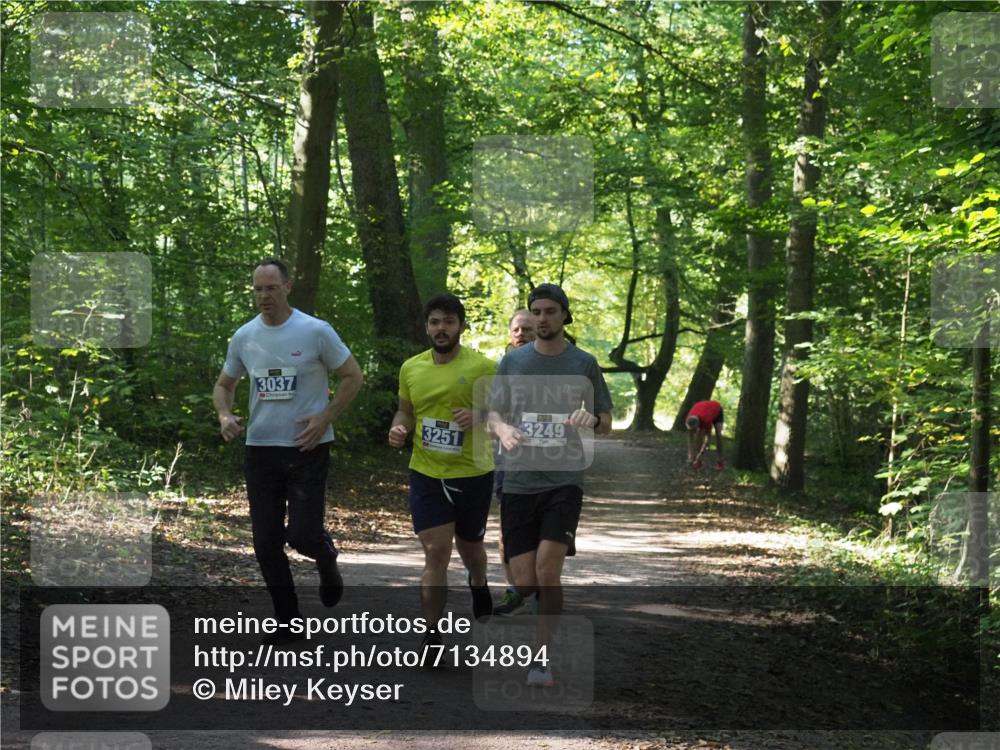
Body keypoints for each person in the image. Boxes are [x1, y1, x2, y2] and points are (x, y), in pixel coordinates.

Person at [213, 259, 363, 644]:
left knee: (302, 535)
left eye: (271, 288)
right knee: (265, 542)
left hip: (307, 447)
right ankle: (288, 619)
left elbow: (353, 376)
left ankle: (325, 556)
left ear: (287, 287)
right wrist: (224, 414)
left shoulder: (315, 331)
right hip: (261, 449)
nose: (264, 296)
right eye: (258, 289)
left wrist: (325, 416)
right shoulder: (244, 336)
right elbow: (224, 385)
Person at [488, 283, 613, 687]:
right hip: (520, 480)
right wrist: (503, 429)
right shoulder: (513, 362)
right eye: (536, 312)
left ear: (564, 316)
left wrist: (590, 420)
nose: (542, 319)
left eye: (550, 312)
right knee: (525, 581)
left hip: (564, 480)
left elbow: (606, 421)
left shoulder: (584, 363)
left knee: (548, 570)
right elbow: (492, 413)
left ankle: (540, 660)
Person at [387, 293, 497, 652]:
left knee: (471, 549)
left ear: (462, 327)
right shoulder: (411, 368)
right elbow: (405, 411)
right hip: (427, 471)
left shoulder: (484, 367)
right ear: (426, 327)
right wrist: (398, 428)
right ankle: (432, 634)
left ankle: (478, 581)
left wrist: (480, 417)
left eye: (449, 322)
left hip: (472, 472)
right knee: (436, 551)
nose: (441, 328)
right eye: (435, 322)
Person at [494, 309, 536, 616]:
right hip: (507, 461)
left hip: (549, 463)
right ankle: (514, 589)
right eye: (516, 330)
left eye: (527, 329)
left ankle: (536, 583)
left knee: (539, 527)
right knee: (507, 528)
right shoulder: (502, 367)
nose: (521, 334)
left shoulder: (554, 367)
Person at [685, 399, 725, 470]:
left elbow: (707, 439)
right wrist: (691, 456)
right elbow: (690, 438)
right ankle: (695, 459)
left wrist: (700, 455)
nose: (693, 431)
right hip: (703, 408)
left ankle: (720, 461)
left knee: (718, 435)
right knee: (698, 436)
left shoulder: (706, 420)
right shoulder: (689, 419)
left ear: (698, 425)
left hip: (716, 409)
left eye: (694, 430)